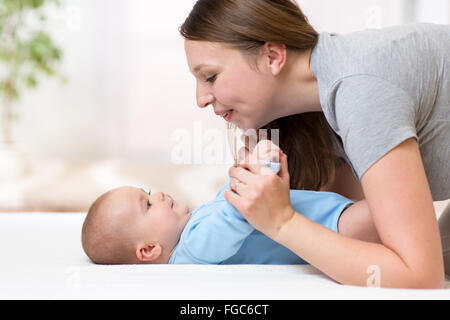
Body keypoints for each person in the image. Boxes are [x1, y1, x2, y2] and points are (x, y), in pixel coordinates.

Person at [180, 0, 450, 287]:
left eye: (210, 77)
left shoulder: (359, 91)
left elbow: (420, 277)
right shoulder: (318, 106)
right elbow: (351, 232)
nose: (201, 99)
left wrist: (283, 222)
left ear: (272, 56)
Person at [81, 140, 375, 265]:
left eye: (147, 191)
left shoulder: (193, 233)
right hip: (333, 229)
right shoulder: (193, 250)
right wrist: (259, 169)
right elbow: (239, 213)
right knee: (402, 215)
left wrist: (240, 173)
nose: (157, 194)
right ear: (148, 250)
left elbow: (227, 206)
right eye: (146, 204)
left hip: (332, 214)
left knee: (398, 210)